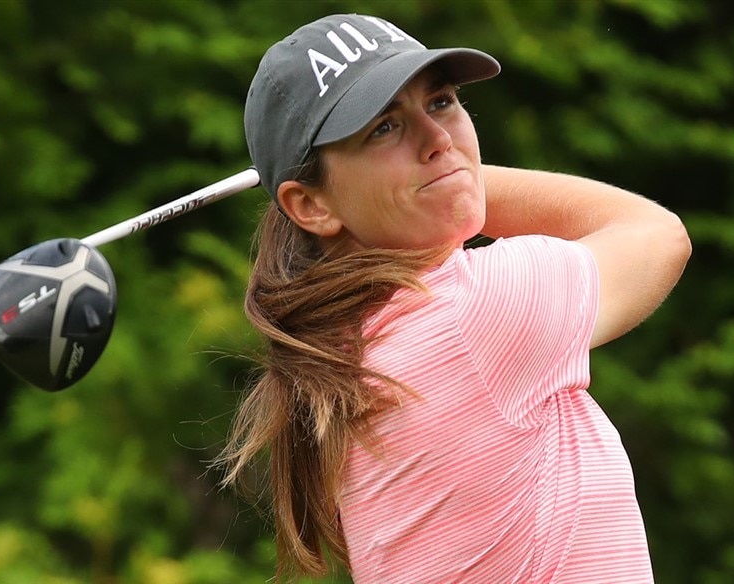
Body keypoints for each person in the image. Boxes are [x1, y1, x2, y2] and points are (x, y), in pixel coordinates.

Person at [216, 13, 691, 583]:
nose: (437, 138)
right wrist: (460, 172)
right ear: (310, 206)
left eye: (440, 102)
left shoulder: (340, 344)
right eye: (384, 128)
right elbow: (657, 234)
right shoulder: (470, 312)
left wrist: (443, 175)